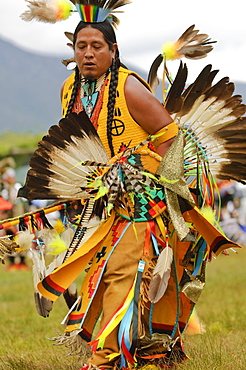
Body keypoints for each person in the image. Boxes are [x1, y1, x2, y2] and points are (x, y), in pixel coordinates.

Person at [18, 1, 245, 369]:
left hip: (144, 202)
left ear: (113, 51)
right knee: (102, 277)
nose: (88, 53)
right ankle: (155, 350)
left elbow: (171, 136)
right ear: (73, 50)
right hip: (103, 202)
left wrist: (161, 185)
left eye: (97, 46)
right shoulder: (69, 89)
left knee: (127, 274)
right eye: (81, 46)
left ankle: (105, 358)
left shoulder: (129, 88)